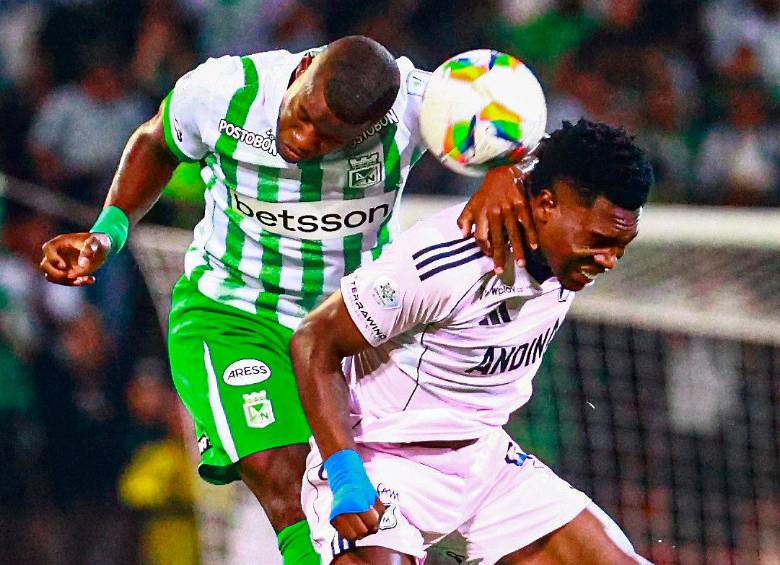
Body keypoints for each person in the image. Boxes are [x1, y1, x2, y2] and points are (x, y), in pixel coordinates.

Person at [39, 35, 534, 564]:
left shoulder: (416, 105)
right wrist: (105, 235)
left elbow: (523, 121)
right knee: (286, 481)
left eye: (327, 138)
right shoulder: (224, 91)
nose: (301, 138)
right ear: (302, 70)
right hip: (232, 314)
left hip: (350, 328)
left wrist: (509, 167)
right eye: (302, 115)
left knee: (378, 505)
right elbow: (157, 142)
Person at [291, 119, 655, 564]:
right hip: (385, 462)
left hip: (486, 465)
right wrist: (345, 473)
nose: (610, 260)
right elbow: (313, 341)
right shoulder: (444, 262)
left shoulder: (571, 260)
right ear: (545, 206)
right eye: (601, 241)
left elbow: (565, 149)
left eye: (622, 245)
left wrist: (510, 165)